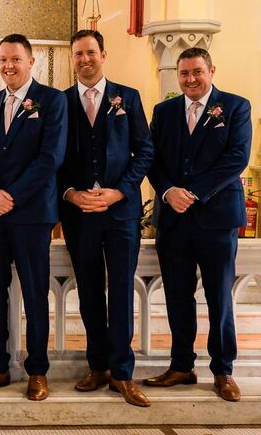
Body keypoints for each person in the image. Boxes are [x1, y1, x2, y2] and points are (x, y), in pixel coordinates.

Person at [144, 47, 251, 402]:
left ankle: (223, 370)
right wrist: (168, 191)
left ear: (211, 71)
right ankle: (181, 365)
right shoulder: (164, 111)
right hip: (174, 220)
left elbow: (236, 158)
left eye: (197, 72)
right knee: (177, 295)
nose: (191, 79)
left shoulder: (235, 107)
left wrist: (193, 192)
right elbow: (151, 159)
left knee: (219, 296)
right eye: (185, 73)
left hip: (216, 219)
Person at [0, 34, 66, 401]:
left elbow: (50, 157)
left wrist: (12, 196)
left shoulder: (52, 100)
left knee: (35, 294)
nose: (9, 66)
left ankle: (37, 371)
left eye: (15, 59)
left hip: (32, 214)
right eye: (3, 60)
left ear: (31, 61)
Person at [58, 30, 154, 407]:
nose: (85, 59)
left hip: (121, 214)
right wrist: (70, 193)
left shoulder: (127, 97)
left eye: (91, 52)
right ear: (72, 59)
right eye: (78, 54)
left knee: (120, 290)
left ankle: (122, 372)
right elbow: (52, 157)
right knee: (89, 290)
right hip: (79, 213)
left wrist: (119, 192)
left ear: (103, 54)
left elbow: (144, 152)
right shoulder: (60, 102)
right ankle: (97, 365)